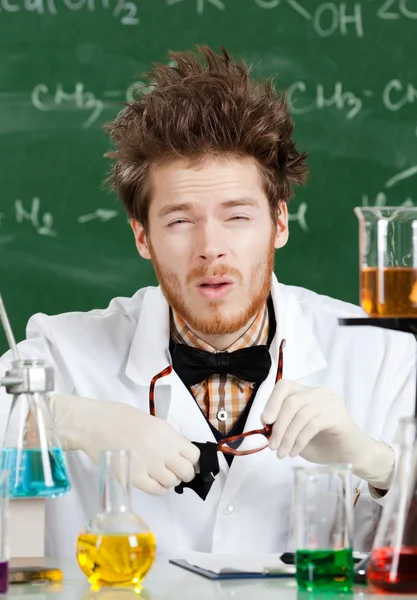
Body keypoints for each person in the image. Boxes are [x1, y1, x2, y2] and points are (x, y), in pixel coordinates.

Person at [0, 46, 414, 557]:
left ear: (279, 223)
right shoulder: (62, 354)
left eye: (237, 216)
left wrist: (378, 464)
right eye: (179, 220)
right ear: (142, 237)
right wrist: (67, 420)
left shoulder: (382, 351)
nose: (210, 247)